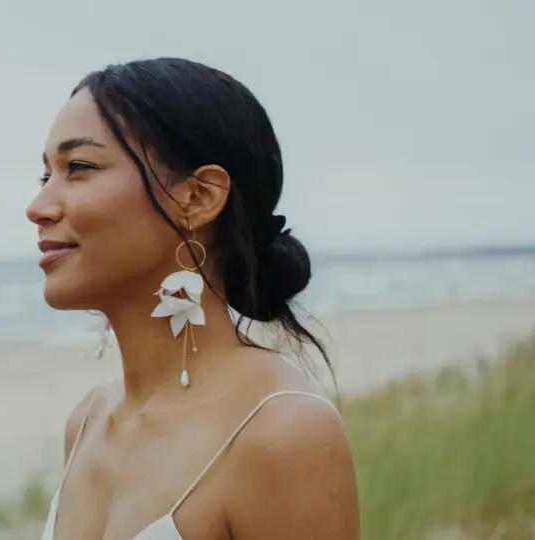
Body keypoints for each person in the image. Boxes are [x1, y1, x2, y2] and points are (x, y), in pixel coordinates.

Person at [29, 57, 360, 540]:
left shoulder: (282, 431)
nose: (38, 207)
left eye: (78, 167)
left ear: (200, 197)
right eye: (45, 176)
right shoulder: (87, 422)